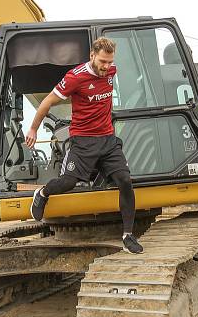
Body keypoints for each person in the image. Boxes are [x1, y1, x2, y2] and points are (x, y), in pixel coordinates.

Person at [24, 37, 143, 254]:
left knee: (125, 180)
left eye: (110, 62)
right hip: (82, 141)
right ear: (92, 56)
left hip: (107, 140)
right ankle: (42, 194)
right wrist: (33, 128)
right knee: (68, 182)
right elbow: (48, 101)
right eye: (102, 62)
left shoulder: (111, 71)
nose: (106, 67)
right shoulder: (75, 78)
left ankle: (128, 235)